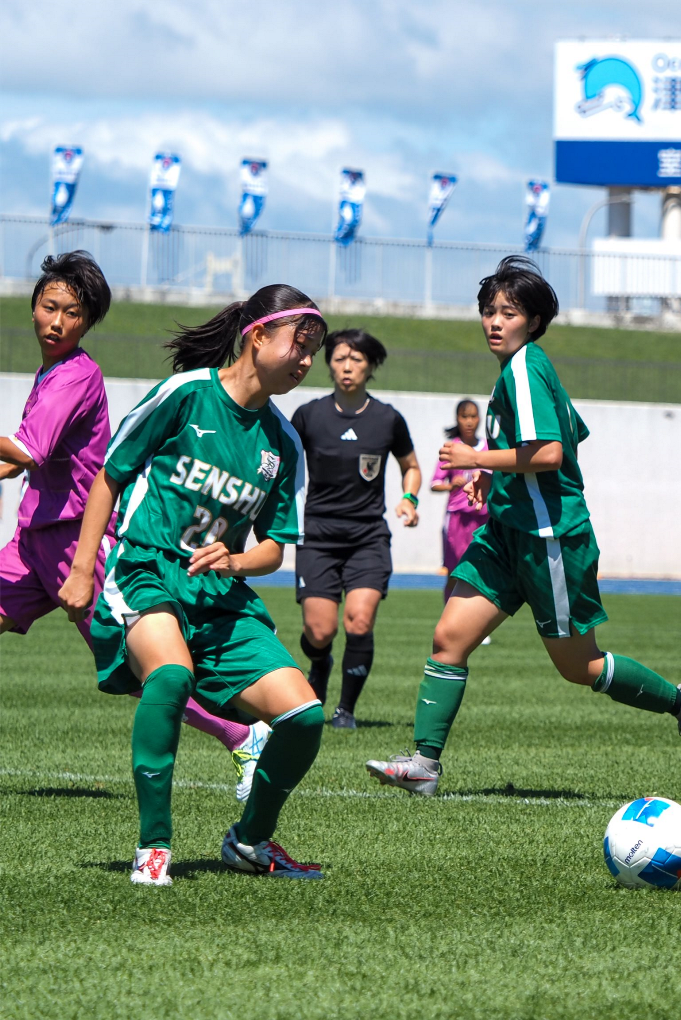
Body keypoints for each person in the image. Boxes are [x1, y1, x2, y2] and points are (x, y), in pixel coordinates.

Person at [365, 257, 681, 796]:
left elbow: (550, 452)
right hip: (508, 531)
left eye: (508, 312)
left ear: (533, 320)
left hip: (549, 538)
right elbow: (569, 430)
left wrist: (477, 460)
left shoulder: (526, 368)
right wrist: (495, 474)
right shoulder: (523, 369)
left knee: (581, 666)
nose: (494, 322)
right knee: (449, 637)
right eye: (488, 311)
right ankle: (424, 765)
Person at [56, 284, 331, 886]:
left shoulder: (282, 442)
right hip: (147, 568)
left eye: (314, 350)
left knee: (305, 716)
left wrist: (235, 562)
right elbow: (110, 475)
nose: (307, 362)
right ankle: (153, 848)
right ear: (258, 336)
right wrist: (82, 569)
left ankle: (251, 842)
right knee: (172, 676)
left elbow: (273, 548)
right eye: (299, 345)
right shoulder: (185, 395)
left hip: (220, 594)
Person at [0, 251, 270, 802]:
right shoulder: (52, 369)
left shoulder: (75, 376)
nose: (57, 321)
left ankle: (243, 735)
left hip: (79, 542)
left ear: (88, 322)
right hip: (35, 542)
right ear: (31, 308)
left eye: (71, 313)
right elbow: (25, 458)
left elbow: (28, 450)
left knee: (142, 668)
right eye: (49, 307)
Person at [290, 329, 420, 729]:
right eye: (340, 358)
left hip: (368, 537)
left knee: (359, 622)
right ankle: (319, 662)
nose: (347, 367)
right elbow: (281, 466)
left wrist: (409, 499)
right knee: (319, 630)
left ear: (371, 367)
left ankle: (345, 709)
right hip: (318, 538)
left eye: (357, 360)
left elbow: (410, 466)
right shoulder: (308, 416)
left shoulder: (387, 419)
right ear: (328, 363)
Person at [430, 399, 489, 600]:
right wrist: (450, 485)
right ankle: (451, 620)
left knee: (482, 574)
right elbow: (434, 483)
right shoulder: (452, 449)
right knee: (455, 574)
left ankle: (478, 629)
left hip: (483, 519)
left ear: (480, 418)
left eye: (473, 416)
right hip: (457, 520)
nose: (469, 422)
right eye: (465, 417)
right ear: (458, 419)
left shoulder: (488, 447)